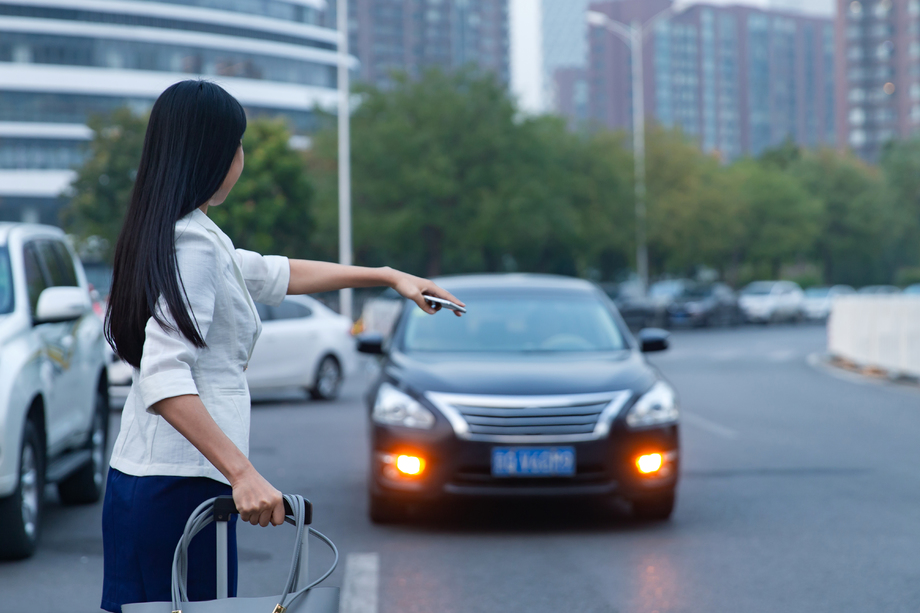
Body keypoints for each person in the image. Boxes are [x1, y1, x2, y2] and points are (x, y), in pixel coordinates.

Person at [100, 80, 464, 612]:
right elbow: (164, 376)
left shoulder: (180, 233)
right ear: (212, 155)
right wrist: (243, 474)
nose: (241, 158)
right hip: (175, 488)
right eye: (238, 145)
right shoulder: (193, 244)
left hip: (157, 480)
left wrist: (388, 276)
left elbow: (277, 273)